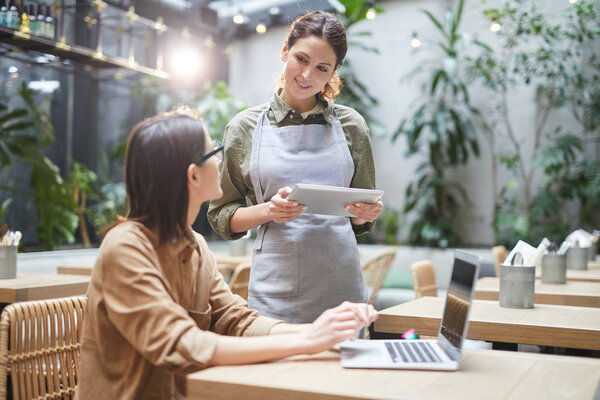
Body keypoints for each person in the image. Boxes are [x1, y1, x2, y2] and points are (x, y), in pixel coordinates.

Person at [75, 109, 378, 400]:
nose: (221, 158)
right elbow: (181, 343)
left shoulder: (193, 244)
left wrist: (323, 328)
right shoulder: (126, 247)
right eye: (213, 151)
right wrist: (306, 341)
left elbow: (236, 321)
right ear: (193, 176)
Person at [208, 10, 383, 324]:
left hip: (342, 291)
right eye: (301, 59)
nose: (307, 75)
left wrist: (364, 213)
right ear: (285, 50)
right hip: (275, 294)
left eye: (322, 68)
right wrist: (268, 211)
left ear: (334, 72)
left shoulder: (351, 126)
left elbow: (361, 217)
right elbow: (222, 216)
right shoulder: (244, 128)